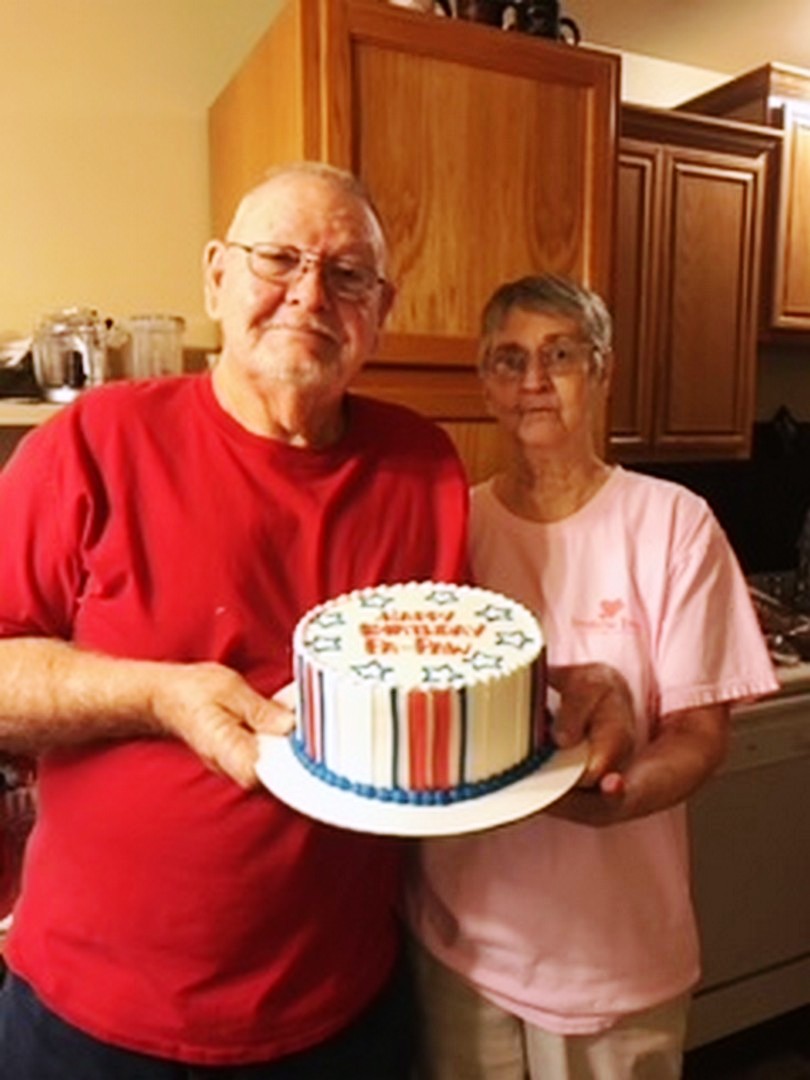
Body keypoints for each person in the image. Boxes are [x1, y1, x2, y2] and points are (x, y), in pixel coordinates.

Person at [0, 168, 628, 1078]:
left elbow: (435, 670)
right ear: (216, 275)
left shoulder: (420, 463)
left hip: (343, 1015)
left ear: (382, 309)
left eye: (347, 275)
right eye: (279, 259)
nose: (309, 295)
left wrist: (564, 692)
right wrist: (161, 695)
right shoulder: (91, 444)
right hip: (91, 1022)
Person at [408, 274, 779, 1080]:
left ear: (602, 369)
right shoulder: (454, 526)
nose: (534, 381)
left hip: (615, 955)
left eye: (561, 355)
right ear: (485, 383)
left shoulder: (672, 522)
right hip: (462, 944)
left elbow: (700, 734)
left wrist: (620, 797)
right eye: (509, 360)